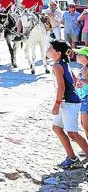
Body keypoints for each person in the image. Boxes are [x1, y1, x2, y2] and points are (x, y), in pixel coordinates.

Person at [48, 39, 88, 169]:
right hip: (67, 102)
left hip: (68, 102)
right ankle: (72, 158)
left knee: (73, 133)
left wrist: (57, 104)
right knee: (57, 128)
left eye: (50, 48)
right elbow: (74, 78)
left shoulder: (57, 66)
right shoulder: (64, 63)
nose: (48, 50)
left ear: (58, 53)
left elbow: (61, 88)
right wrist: (77, 82)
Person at [73, 47, 88, 143]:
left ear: (86, 58)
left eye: (80, 55)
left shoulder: (86, 70)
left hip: (86, 99)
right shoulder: (83, 68)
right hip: (83, 98)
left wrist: (80, 80)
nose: (77, 56)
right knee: (84, 125)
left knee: (86, 126)